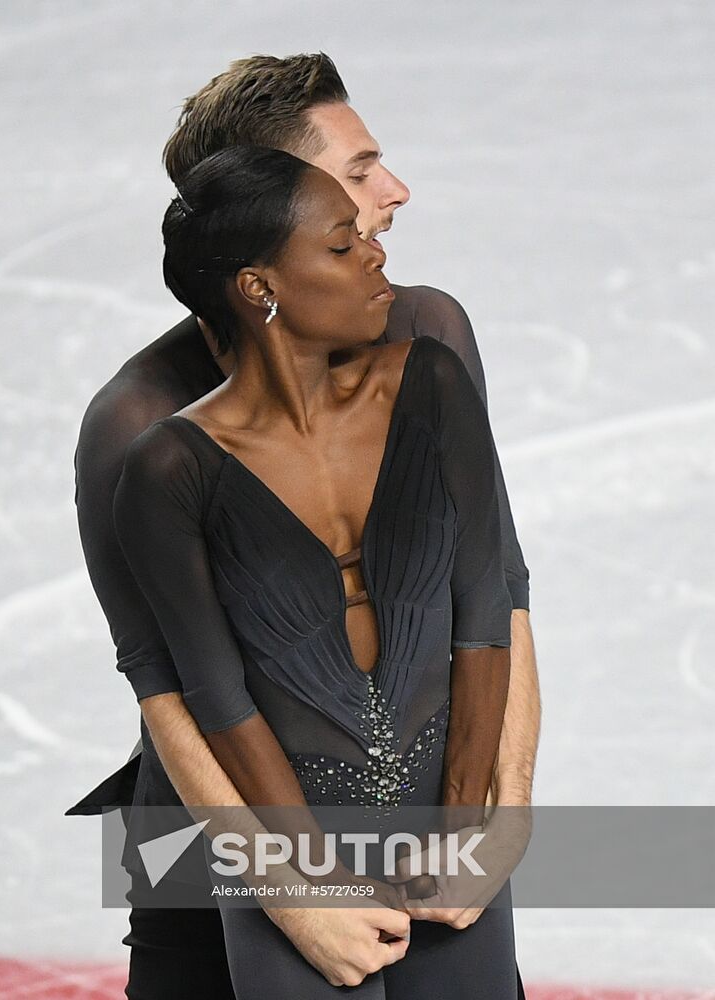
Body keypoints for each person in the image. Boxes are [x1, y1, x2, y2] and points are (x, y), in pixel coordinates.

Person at [65, 53, 540, 996]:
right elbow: (166, 688)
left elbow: (495, 595)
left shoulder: (426, 339)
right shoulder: (133, 427)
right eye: (357, 175)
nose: (393, 194)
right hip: (212, 828)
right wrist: (288, 891)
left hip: (412, 802)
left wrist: (504, 818)